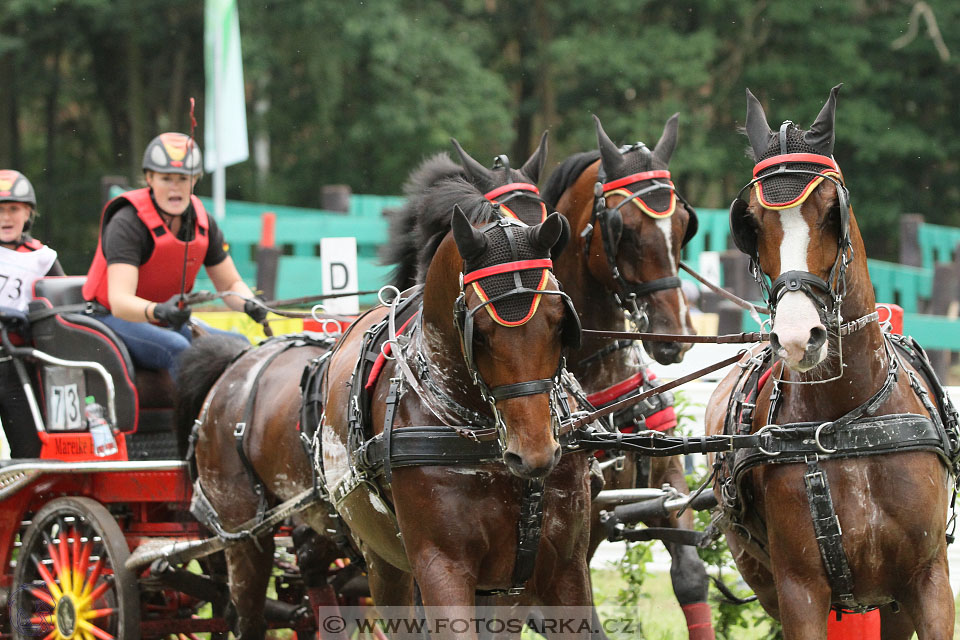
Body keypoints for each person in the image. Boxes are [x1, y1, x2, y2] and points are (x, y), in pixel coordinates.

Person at [82, 132, 267, 380]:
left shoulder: (203, 222)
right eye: (166, 178)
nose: (174, 187)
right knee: (178, 349)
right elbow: (120, 301)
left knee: (240, 345)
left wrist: (248, 303)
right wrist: (158, 311)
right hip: (111, 319)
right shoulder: (127, 222)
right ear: (149, 178)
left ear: (195, 180)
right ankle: (194, 420)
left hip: (166, 319)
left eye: (182, 178)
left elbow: (230, 285)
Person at [0, 170, 64, 457]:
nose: (6, 217)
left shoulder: (42, 258)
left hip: (18, 365)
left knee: (29, 448)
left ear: (28, 213)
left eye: (13, 209)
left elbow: (62, 309)